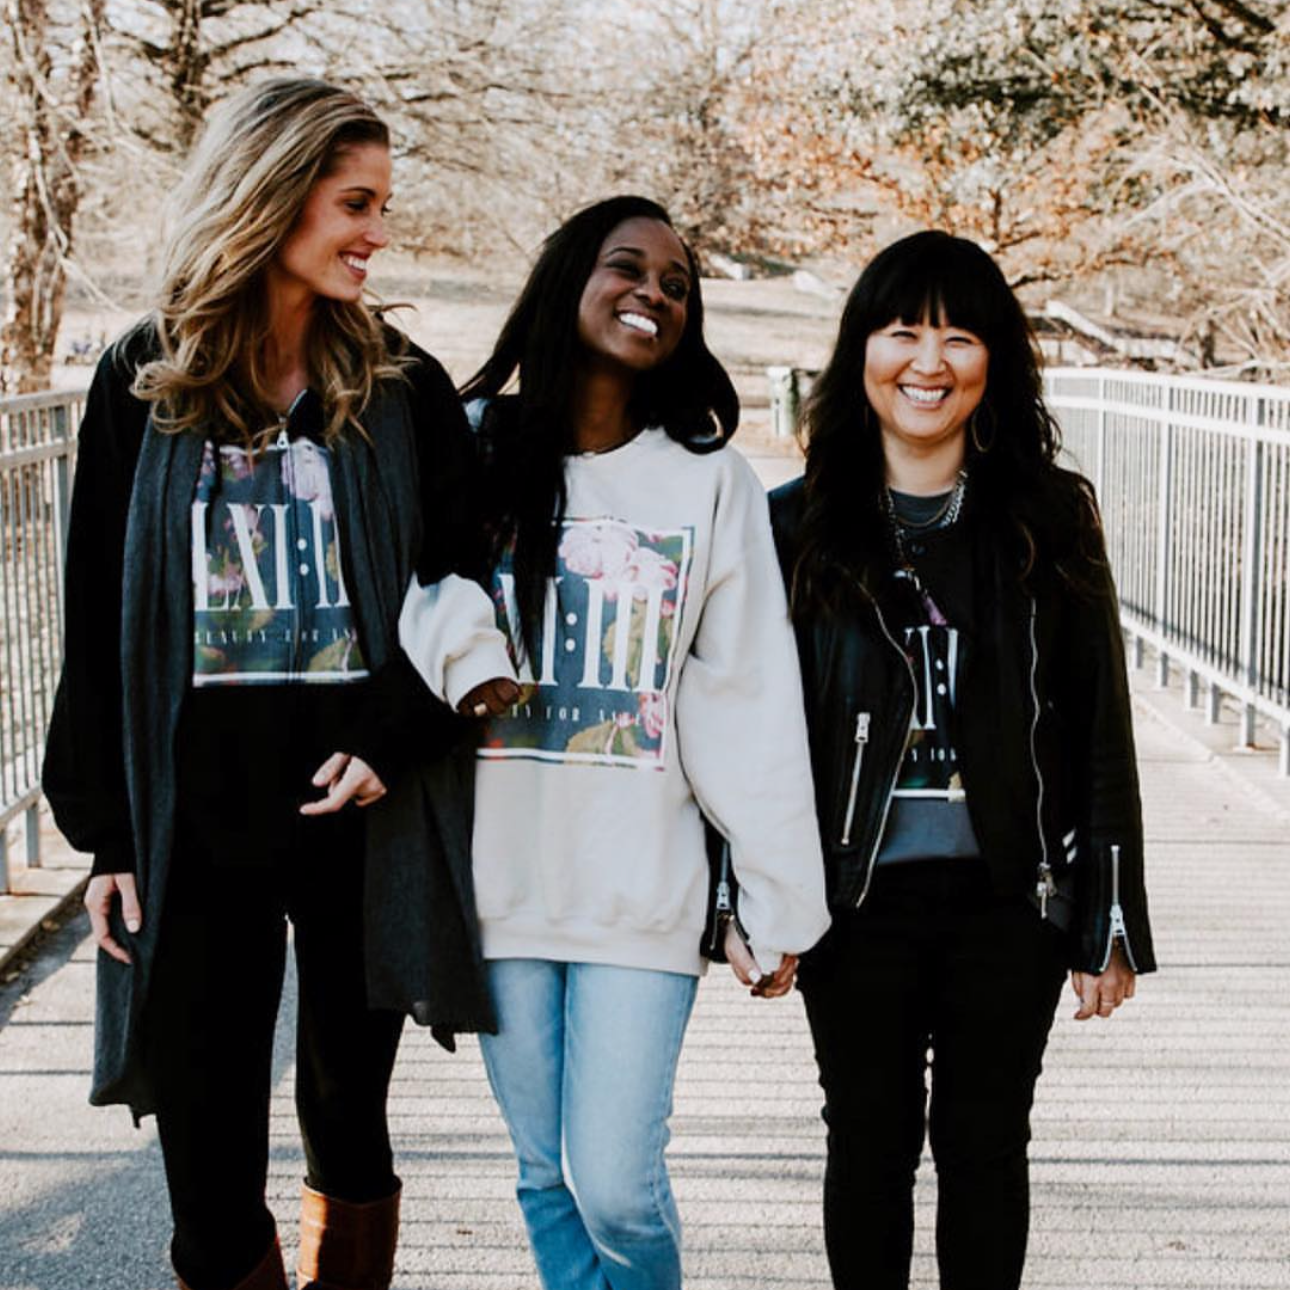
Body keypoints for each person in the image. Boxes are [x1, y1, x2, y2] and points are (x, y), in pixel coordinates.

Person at [42, 78, 507, 1290]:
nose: (378, 232)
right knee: (206, 1153)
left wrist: (393, 736)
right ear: (272, 195)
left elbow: (463, 585)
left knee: (348, 1122)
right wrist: (107, 836)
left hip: (360, 813)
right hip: (194, 818)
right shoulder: (142, 378)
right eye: (356, 202)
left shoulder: (400, 387)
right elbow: (95, 609)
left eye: (383, 205)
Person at [400, 194, 831, 1290]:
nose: (652, 292)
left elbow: (747, 699)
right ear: (567, 280)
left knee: (617, 1185)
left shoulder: (708, 485)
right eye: (626, 267)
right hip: (498, 885)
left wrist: (779, 893)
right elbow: (414, 588)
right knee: (544, 1172)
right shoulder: (471, 445)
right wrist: (467, 653)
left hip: (641, 889)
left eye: (676, 284)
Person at [769, 229, 1156, 1290]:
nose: (928, 361)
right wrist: (752, 898)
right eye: (902, 331)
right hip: (852, 897)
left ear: (998, 360)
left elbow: (1097, 720)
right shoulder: (794, 527)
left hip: (1009, 894)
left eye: (958, 334)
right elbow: (755, 736)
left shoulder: (1048, 518)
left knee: (987, 1145)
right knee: (868, 1142)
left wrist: (1107, 915)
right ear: (862, 352)